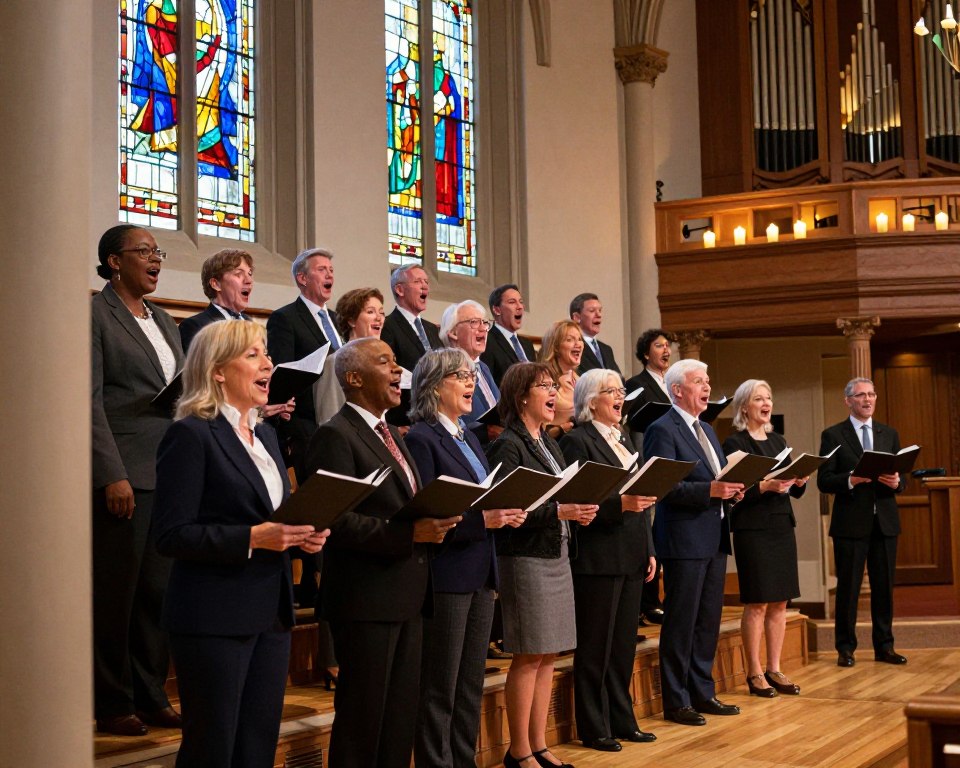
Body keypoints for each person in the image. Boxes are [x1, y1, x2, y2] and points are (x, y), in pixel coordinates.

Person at [153, 321, 328, 767]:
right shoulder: (191, 434)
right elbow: (171, 534)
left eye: (266, 352)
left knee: (256, 746)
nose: (268, 363)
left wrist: (299, 538)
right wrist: (254, 538)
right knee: (213, 749)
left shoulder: (266, 435)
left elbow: (273, 519)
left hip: (270, 612)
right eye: (253, 355)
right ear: (216, 371)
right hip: (213, 616)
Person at [305, 338, 459, 768]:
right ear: (353, 378)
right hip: (366, 599)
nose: (398, 370)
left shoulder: (391, 432)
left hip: (407, 593)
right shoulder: (334, 435)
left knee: (398, 718)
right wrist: (412, 535)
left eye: (397, 361)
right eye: (385, 362)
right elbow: (335, 520)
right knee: (363, 720)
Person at [405, 348, 524, 768]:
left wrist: (500, 512)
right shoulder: (421, 438)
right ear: (435, 386)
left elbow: (481, 498)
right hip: (448, 571)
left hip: (480, 570)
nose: (472, 382)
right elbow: (431, 512)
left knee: (470, 679)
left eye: (472, 374)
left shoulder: (468, 435)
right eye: (461, 375)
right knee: (441, 681)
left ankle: (463, 758)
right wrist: (485, 521)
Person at [91, 224, 184, 736]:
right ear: (113, 262)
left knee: (158, 592)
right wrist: (111, 473)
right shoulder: (95, 315)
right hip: (125, 472)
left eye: (157, 252)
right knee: (117, 594)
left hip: (167, 469)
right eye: (143, 252)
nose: (154, 260)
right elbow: (88, 400)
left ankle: (151, 694)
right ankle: (112, 702)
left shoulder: (166, 320)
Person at [485, 363, 598, 768]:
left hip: (556, 554)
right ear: (521, 398)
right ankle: (519, 751)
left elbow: (555, 499)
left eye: (554, 385)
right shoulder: (508, 444)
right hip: (525, 558)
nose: (554, 392)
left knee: (549, 654)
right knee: (529, 655)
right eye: (544, 387)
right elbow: (505, 509)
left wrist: (575, 511)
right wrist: (559, 511)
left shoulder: (549, 443)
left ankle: (539, 744)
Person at [559, 370, 657, 752]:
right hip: (597, 556)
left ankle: (622, 718)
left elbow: (644, 499)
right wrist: (620, 505)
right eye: (611, 391)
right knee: (595, 646)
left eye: (620, 391)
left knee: (621, 647)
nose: (620, 397)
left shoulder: (630, 439)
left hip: (632, 550)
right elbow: (578, 500)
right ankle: (593, 725)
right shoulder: (575, 442)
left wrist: (649, 547)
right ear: (590, 400)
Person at [642, 359, 744, 726]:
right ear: (677, 390)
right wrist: (711, 490)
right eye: (698, 381)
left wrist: (730, 492)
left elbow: (716, 481)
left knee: (707, 621)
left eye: (707, 380)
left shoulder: (708, 430)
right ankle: (676, 700)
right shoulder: (661, 429)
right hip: (683, 538)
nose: (706, 386)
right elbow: (662, 486)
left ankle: (703, 691)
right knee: (681, 622)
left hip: (714, 536)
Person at [722, 379, 807, 697]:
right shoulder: (734, 444)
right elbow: (735, 492)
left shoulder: (778, 440)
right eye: (759, 398)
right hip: (753, 528)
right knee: (757, 602)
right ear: (744, 406)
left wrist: (799, 479)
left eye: (769, 397)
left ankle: (775, 668)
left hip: (781, 524)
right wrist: (763, 487)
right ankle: (754, 672)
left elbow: (793, 490)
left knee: (780, 602)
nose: (766, 402)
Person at [818, 377, 907, 668]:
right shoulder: (833, 435)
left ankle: (885, 646)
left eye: (871, 395)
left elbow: (900, 477)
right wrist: (850, 480)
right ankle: (845, 648)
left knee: (884, 588)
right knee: (849, 588)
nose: (867, 400)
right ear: (848, 401)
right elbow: (823, 480)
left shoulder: (888, 434)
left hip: (885, 522)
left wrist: (897, 481)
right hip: (850, 524)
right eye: (860, 396)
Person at [266, 247, 342, 479]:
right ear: (302, 278)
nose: (329, 275)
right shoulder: (285, 318)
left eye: (331, 270)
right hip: (308, 427)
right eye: (321, 270)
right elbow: (285, 374)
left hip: (341, 421)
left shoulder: (338, 320)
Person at [624, 328, 675, 626]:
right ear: (646, 354)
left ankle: (662, 597)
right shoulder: (636, 384)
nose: (666, 350)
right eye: (659, 346)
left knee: (663, 530)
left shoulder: (673, 385)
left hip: (671, 463)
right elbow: (634, 426)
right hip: (648, 460)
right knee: (648, 530)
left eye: (668, 346)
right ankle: (648, 601)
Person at [313, 287, 386, 425]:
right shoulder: (335, 362)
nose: (379, 318)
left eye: (381, 313)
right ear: (351, 320)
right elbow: (329, 418)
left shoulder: (381, 362)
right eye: (370, 312)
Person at [381, 263, 442, 427]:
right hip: (405, 418)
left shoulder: (432, 329)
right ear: (399, 290)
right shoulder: (387, 326)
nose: (425, 286)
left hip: (436, 415)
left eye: (426, 282)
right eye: (418, 281)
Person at [178, 249, 255, 351]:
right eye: (238, 274)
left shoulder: (252, 324)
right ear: (216, 284)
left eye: (249, 274)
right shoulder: (195, 326)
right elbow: (200, 366)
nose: (249, 280)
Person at [439, 300, 500, 425]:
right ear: (453, 333)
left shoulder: (484, 368)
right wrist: (486, 432)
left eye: (485, 323)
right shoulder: (445, 371)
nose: (483, 328)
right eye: (474, 322)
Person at [481, 283, 536, 386]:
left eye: (521, 302)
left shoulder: (527, 344)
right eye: (512, 302)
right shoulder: (487, 340)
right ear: (497, 310)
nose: (520, 307)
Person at [538, 320, 583, 438]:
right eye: (570, 340)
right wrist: (561, 429)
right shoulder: (545, 382)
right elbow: (537, 432)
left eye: (579, 339)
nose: (578, 344)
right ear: (556, 347)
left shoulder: (582, 381)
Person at [569, 293, 620, 375]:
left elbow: (619, 378)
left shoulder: (607, 349)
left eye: (600, 310)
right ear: (577, 317)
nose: (599, 315)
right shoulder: (572, 348)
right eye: (592, 311)